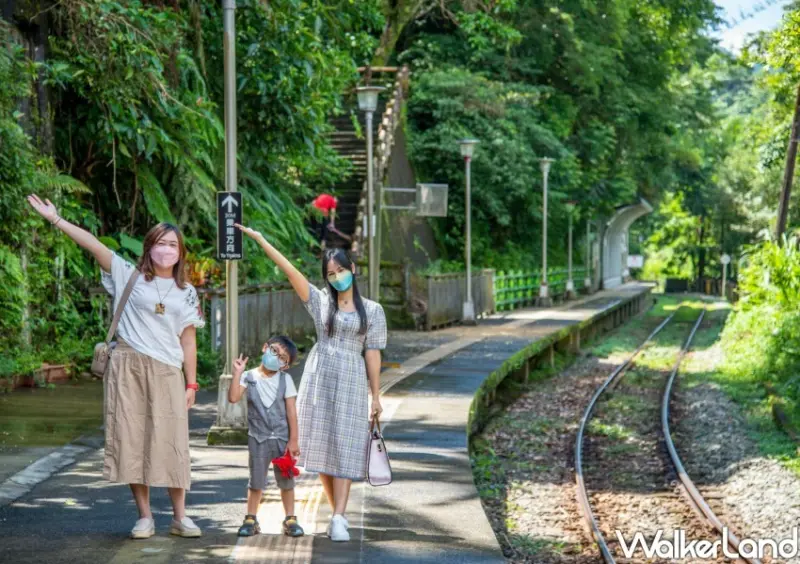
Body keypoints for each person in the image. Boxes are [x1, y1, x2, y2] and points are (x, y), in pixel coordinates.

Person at [25, 194, 205, 540]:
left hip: (168, 370)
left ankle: (181, 517)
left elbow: (188, 341)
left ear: (180, 252)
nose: (166, 250)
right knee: (132, 439)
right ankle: (145, 517)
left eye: (172, 245)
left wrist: (192, 384)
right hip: (127, 366)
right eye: (160, 243)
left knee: (173, 443)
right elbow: (94, 245)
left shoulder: (187, 292)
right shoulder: (129, 275)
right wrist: (56, 219)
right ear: (149, 247)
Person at [235, 223, 387, 542]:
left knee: (345, 445)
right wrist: (262, 239)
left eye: (341, 271)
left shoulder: (373, 310)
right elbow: (290, 271)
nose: (336, 278)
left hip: (350, 377)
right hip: (319, 376)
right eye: (330, 274)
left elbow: (372, 353)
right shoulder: (322, 303)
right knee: (322, 446)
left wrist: (376, 395)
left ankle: (340, 517)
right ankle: (336, 514)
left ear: (353, 269)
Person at [227, 337, 305, 538]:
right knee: (256, 481)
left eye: (282, 358)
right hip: (257, 438)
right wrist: (236, 374)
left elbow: (291, 411)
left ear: (285, 366)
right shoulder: (248, 376)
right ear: (265, 348)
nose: (276, 358)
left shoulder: (285, 380)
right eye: (274, 351)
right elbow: (233, 397)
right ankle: (251, 518)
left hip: (281, 439)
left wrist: (293, 440)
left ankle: (290, 519)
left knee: (286, 480)